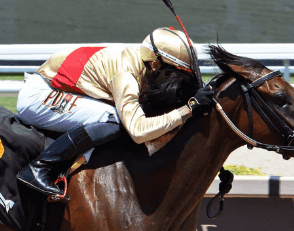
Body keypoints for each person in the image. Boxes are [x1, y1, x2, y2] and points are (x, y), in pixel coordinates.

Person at [16, 27, 215, 199]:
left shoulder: (146, 63)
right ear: (155, 65)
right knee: (113, 119)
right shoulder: (126, 76)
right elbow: (137, 131)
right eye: (173, 74)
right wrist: (187, 110)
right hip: (39, 96)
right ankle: (39, 168)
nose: (175, 80)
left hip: (63, 88)